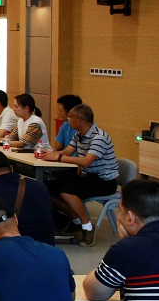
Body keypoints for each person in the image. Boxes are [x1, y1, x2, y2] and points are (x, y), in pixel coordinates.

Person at [42, 103, 119, 245]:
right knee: (46, 186)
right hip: (87, 176)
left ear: (79, 120)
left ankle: (87, 227)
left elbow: (86, 161)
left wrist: (58, 157)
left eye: (70, 118)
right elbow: (67, 152)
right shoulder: (79, 135)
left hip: (104, 181)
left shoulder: (99, 137)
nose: (67, 121)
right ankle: (75, 220)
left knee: (67, 191)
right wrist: (48, 154)